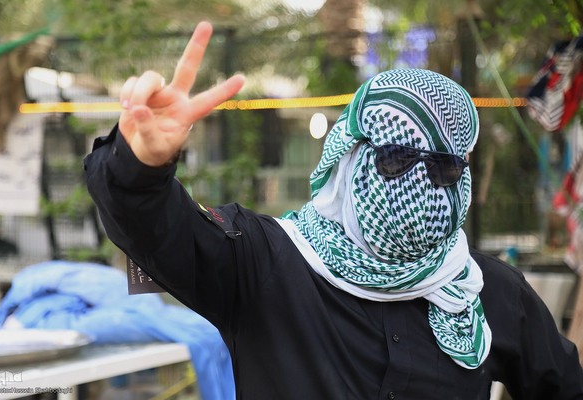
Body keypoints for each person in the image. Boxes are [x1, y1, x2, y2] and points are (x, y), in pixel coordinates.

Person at [84, 21, 583, 399]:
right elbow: (155, 231)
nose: (420, 185)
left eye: (443, 169)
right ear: (348, 159)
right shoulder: (263, 262)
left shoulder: (490, 291)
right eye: (396, 159)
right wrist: (141, 165)